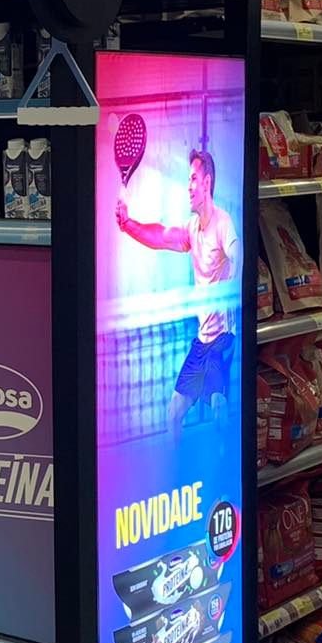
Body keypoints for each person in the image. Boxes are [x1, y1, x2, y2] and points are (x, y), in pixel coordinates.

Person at [115, 146, 237, 437]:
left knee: (219, 408)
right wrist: (128, 225)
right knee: (173, 414)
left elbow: (237, 255)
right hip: (201, 342)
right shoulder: (192, 229)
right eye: (188, 179)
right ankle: (177, 461)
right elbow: (161, 236)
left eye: (193, 178)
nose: (189, 186)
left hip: (222, 340)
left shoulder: (223, 224)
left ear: (207, 182)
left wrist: (229, 289)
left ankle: (223, 458)